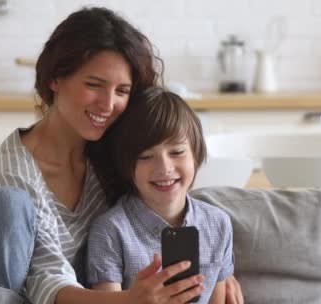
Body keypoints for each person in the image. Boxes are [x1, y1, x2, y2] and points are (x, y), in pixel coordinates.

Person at [0, 7, 243, 304]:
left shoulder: (117, 151)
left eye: (122, 91)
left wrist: (218, 266)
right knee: (8, 203)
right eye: (94, 85)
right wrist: (129, 301)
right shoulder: (16, 173)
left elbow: (173, 189)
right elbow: (46, 278)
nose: (108, 104)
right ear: (56, 78)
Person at [86, 86, 234, 304]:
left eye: (177, 152)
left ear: (196, 153)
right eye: (146, 156)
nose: (164, 168)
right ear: (127, 165)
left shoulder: (218, 224)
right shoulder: (110, 231)